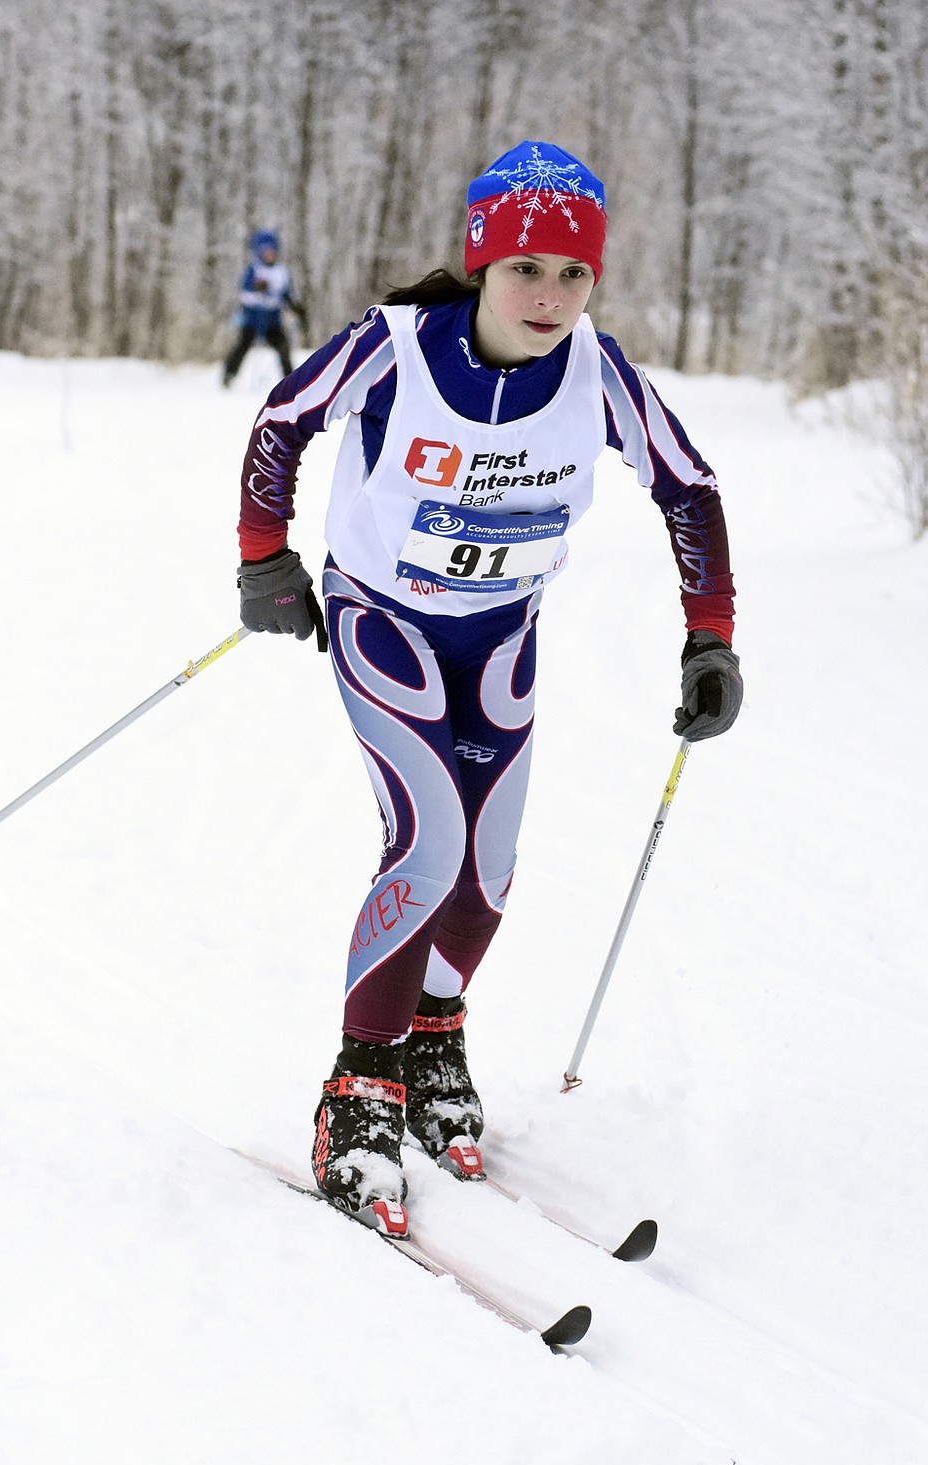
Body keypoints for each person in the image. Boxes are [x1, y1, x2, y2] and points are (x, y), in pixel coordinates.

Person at [233, 141, 742, 1236]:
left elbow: (690, 492)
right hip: (385, 624)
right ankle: (358, 1086)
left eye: (574, 274)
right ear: (480, 266)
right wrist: (263, 556)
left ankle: (433, 1034)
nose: (550, 296)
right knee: (424, 845)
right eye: (526, 270)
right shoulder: (398, 348)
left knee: (491, 865)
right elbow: (281, 421)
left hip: (501, 635)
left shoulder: (599, 375)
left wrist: (712, 639)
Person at [222, 230, 306, 387]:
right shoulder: (254, 270)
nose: (269, 255)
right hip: (253, 319)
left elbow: (285, 294)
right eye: (266, 252)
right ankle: (229, 374)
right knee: (243, 345)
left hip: (272, 320)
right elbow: (244, 294)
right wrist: (256, 289)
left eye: (272, 251)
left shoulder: (281, 271)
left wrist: (295, 307)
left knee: (283, 348)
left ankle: (290, 381)